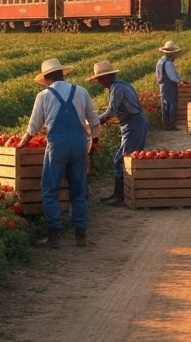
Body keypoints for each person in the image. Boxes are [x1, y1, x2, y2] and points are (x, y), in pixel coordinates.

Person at [19, 58, 102, 248]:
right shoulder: (81, 91)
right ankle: (80, 236)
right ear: (62, 74)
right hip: (79, 143)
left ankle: (54, 236)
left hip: (57, 146)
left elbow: (33, 127)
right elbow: (94, 122)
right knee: (79, 190)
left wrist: (22, 144)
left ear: (46, 79)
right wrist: (92, 143)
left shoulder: (43, 96)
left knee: (50, 190)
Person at [89, 60, 147, 206]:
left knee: (121, 159)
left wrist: (95, 121)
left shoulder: (117, 88)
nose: (99, 82)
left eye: (100, 79)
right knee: (132, 158)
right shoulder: (121, 85)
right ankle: (130, 193)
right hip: (135, 122)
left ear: (107, 77)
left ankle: (120, 196)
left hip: (133, 123)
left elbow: (111, 111)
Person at [155, 41, 182, 130]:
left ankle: (165, 124)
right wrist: (180, 81)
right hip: (169, 85)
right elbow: (172, 76)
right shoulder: (168, 63)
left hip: (162, 85)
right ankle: (171, 124)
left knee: (165, 104)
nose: (175, 56)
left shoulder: (160, 61)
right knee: (172, 103)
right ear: (171, 54)